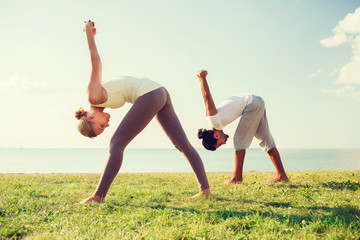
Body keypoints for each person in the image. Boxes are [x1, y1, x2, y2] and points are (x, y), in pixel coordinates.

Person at [75, 20, 211, 203]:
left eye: (101, 125)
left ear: (90, 117)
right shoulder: (101, 100)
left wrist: (88, 33)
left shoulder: (93, 95)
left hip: (151, 94)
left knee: (116, 143)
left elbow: (96, 61)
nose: (107, 124)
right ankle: (205, 190)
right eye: (104, 127)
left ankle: (98, 196)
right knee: (182, 144)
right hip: (160, 92)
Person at [196, 69, 289, 184]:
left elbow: (207, 98)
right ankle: (282, 175)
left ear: (216, 135)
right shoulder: (218, 123)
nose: (224, 143)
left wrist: (202, 78)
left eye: (220, 143)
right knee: (265, 140)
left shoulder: (212, 120)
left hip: (252, 104)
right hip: (256, 102)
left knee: (239, 141)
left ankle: (237, 178)